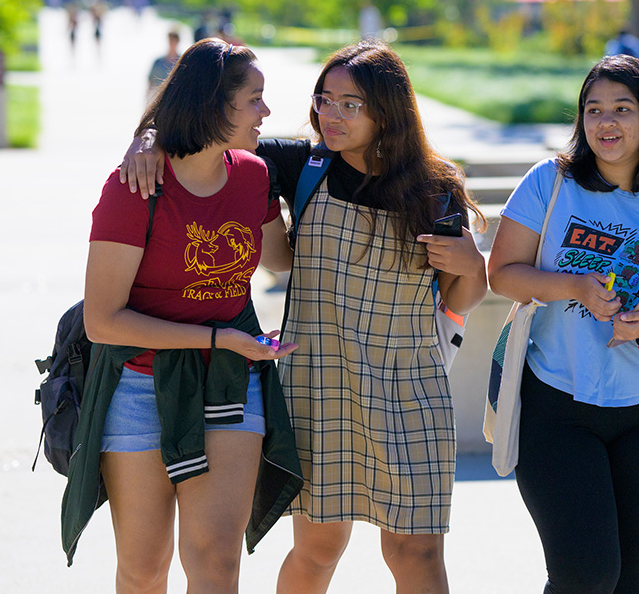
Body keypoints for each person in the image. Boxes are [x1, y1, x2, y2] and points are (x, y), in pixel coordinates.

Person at [120, 39, 489, 594]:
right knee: (318, 548)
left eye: (349, 104)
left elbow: (461, 300)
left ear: (388, 110)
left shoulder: (435, 191)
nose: (330, 115)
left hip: (409, 387)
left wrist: (472, 263)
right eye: (324, 99)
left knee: (416, 550)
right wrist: (145, 138)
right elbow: (201, 130)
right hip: (319, 385)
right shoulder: (302, 165)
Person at [63, 37, 303, 591]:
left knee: (217, 559)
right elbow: (103, 322)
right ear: (212, 105)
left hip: (229, 381)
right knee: (145, 569)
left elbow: (280, 259)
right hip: (140, 384)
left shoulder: (253, 174)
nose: (266, 112)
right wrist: (219, 337)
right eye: (254, 99)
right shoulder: (135, 186)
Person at [487, 54, 639, 593]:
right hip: (557, 405)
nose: (605, 122)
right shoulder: (551, 182)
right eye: (593, 110)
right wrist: (572, 286)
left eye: (621, 109)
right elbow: (502, 274)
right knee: (584, 575)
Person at [147, 30, 180, 99]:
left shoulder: (182, 62)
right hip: (158, 98)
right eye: (170, 41)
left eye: (173, 41)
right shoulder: (158, 62)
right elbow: (150, 81)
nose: (172, 44)